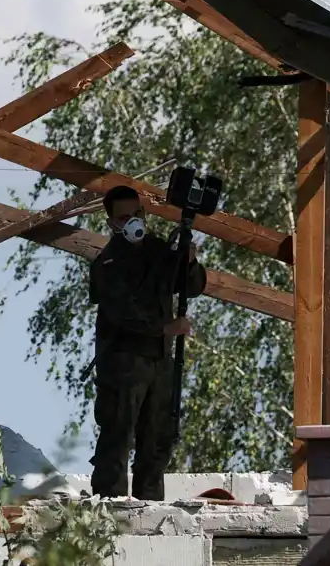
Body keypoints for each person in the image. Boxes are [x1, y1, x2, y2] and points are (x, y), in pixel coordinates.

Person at [86, 184, 207, 501]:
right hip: (123, 363)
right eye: (123, 217)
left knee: (157, 438)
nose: (132, 221)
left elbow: (189, 287)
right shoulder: (107, 263)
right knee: (118, 434)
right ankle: (110, 504)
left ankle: (150, 502)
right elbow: (121, 312)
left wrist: (189, 262)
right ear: (112, 222)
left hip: (158, 361)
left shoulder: (158, 251)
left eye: (136, 213)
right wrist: (166, 328)